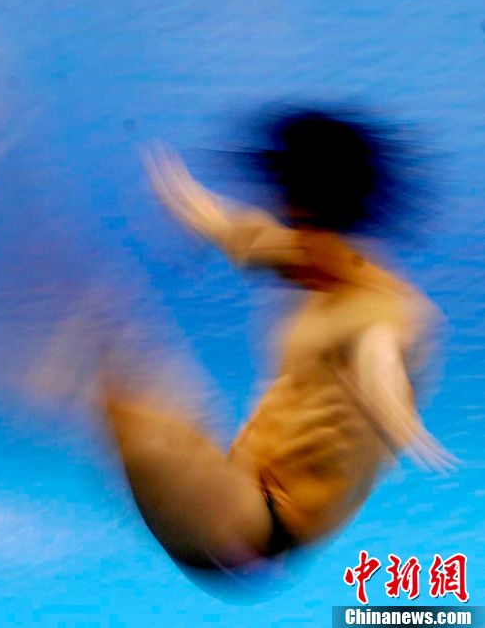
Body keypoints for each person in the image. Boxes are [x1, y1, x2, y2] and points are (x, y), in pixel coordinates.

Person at [102, 110, 456, 573]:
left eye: (293, 211)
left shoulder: (383, 313)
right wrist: (176, 188)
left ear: (310, 210)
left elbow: (380, 353)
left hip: (253, 530)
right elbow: (239, 232)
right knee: (136, 385)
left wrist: (398, 413)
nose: (289, 233)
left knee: (117, 388)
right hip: (236, 486)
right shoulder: (324, 259)